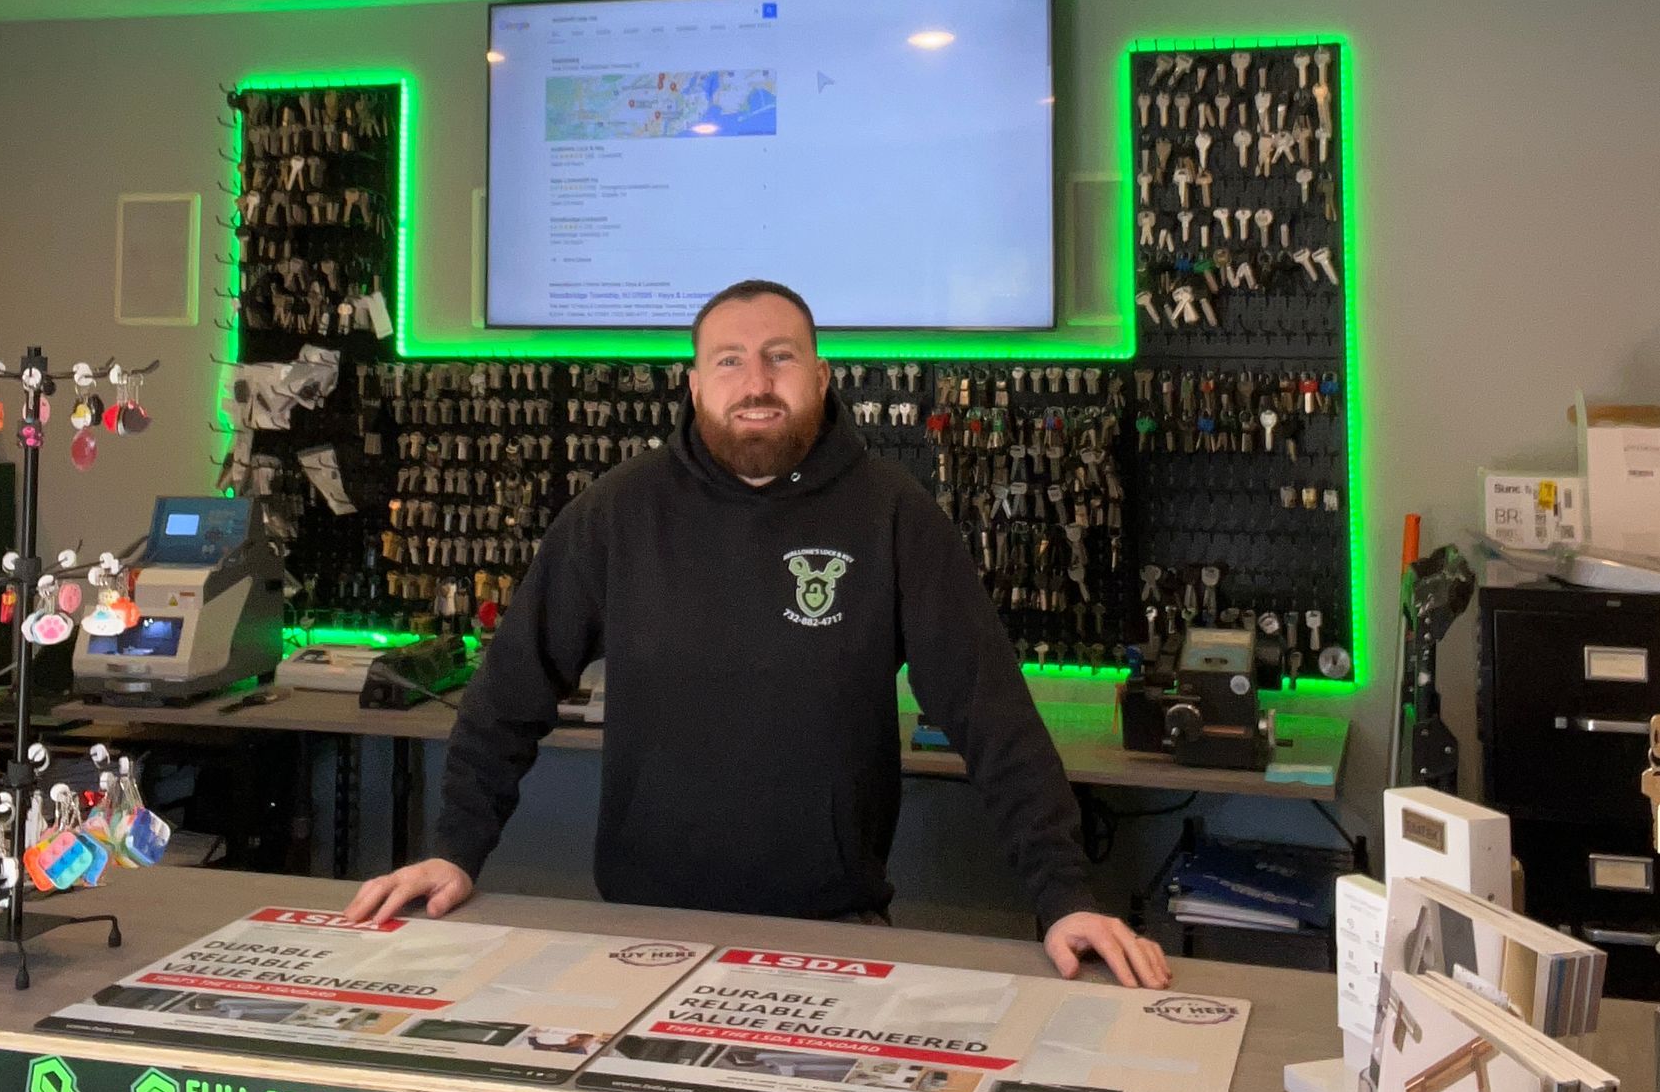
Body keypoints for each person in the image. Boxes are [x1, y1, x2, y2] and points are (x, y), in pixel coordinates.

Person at [343, 280, 1170, 989]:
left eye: (780, 356)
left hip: (834, 927)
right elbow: (507, 694)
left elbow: (992, 714)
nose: (756, 380)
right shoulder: (616, 514)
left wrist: (1065, 897)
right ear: (695, 384)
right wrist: (454, 851)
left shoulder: (891, 514)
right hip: (639, 927)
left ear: (820, 375)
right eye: (730, 360)